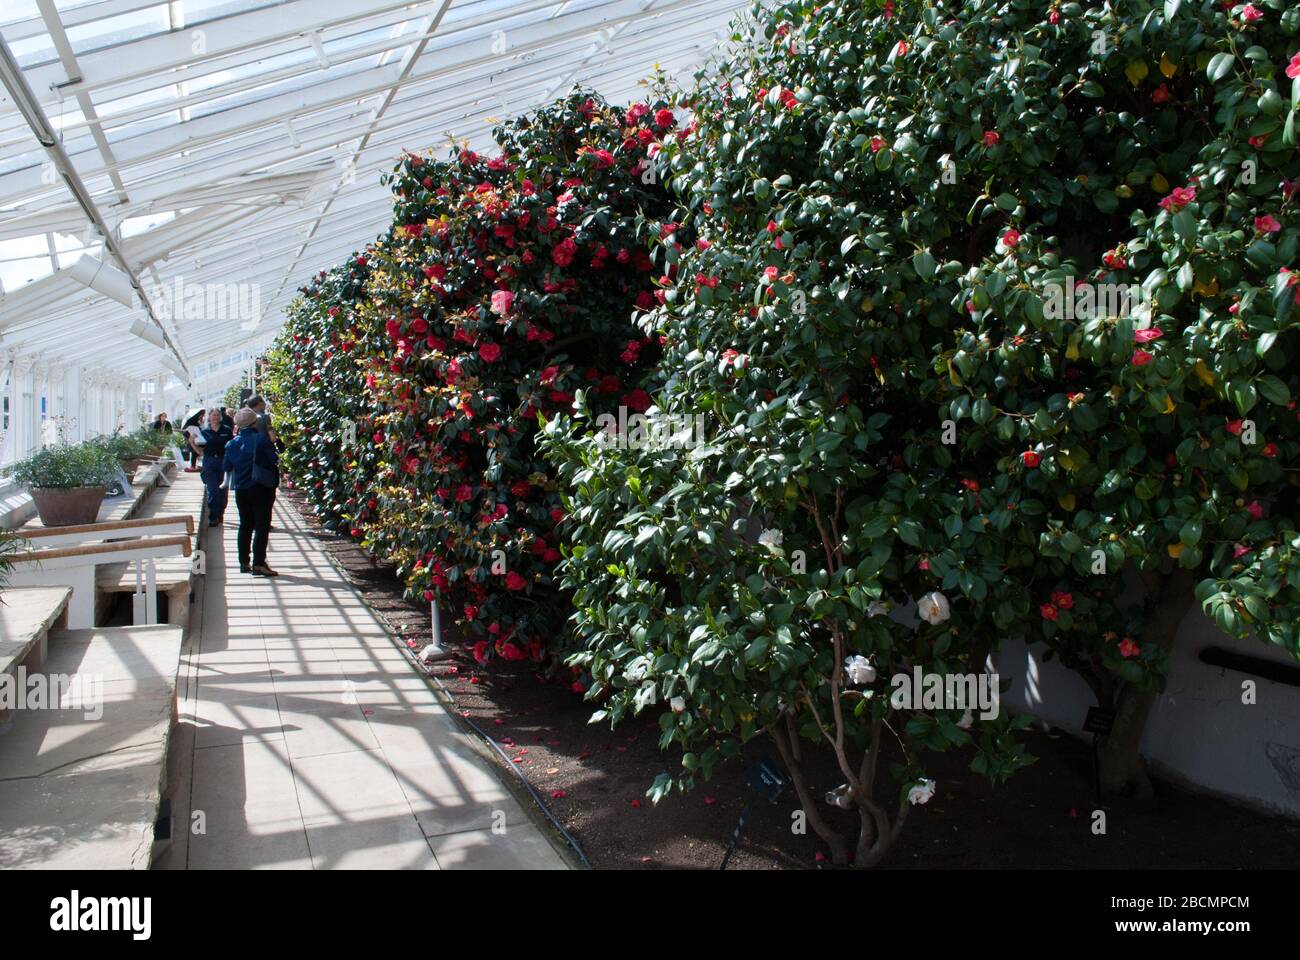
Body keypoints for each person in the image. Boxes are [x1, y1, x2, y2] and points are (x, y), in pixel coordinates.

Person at [223, 408, 280, 576]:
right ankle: (259, 563)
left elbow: (226, 467)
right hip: (261, 487)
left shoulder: (231, 443)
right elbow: (273, 460)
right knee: (261, 526)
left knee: (245, 525)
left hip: (241, 488)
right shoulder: (261, 439)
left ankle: (243, 562)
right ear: (254, 422)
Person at [194, 407, 233, 528]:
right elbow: (198, 448)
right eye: (213, 415)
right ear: (209, 417)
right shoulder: (204, 432)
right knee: (213, 490)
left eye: (217, 415)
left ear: (220, 417)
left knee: (222, 491)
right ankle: (213, 517)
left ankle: (220, 512)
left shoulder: (226, 430)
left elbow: (231, 446)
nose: (215, 417)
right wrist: (194, 445)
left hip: (223, 461)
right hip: (209, 462)